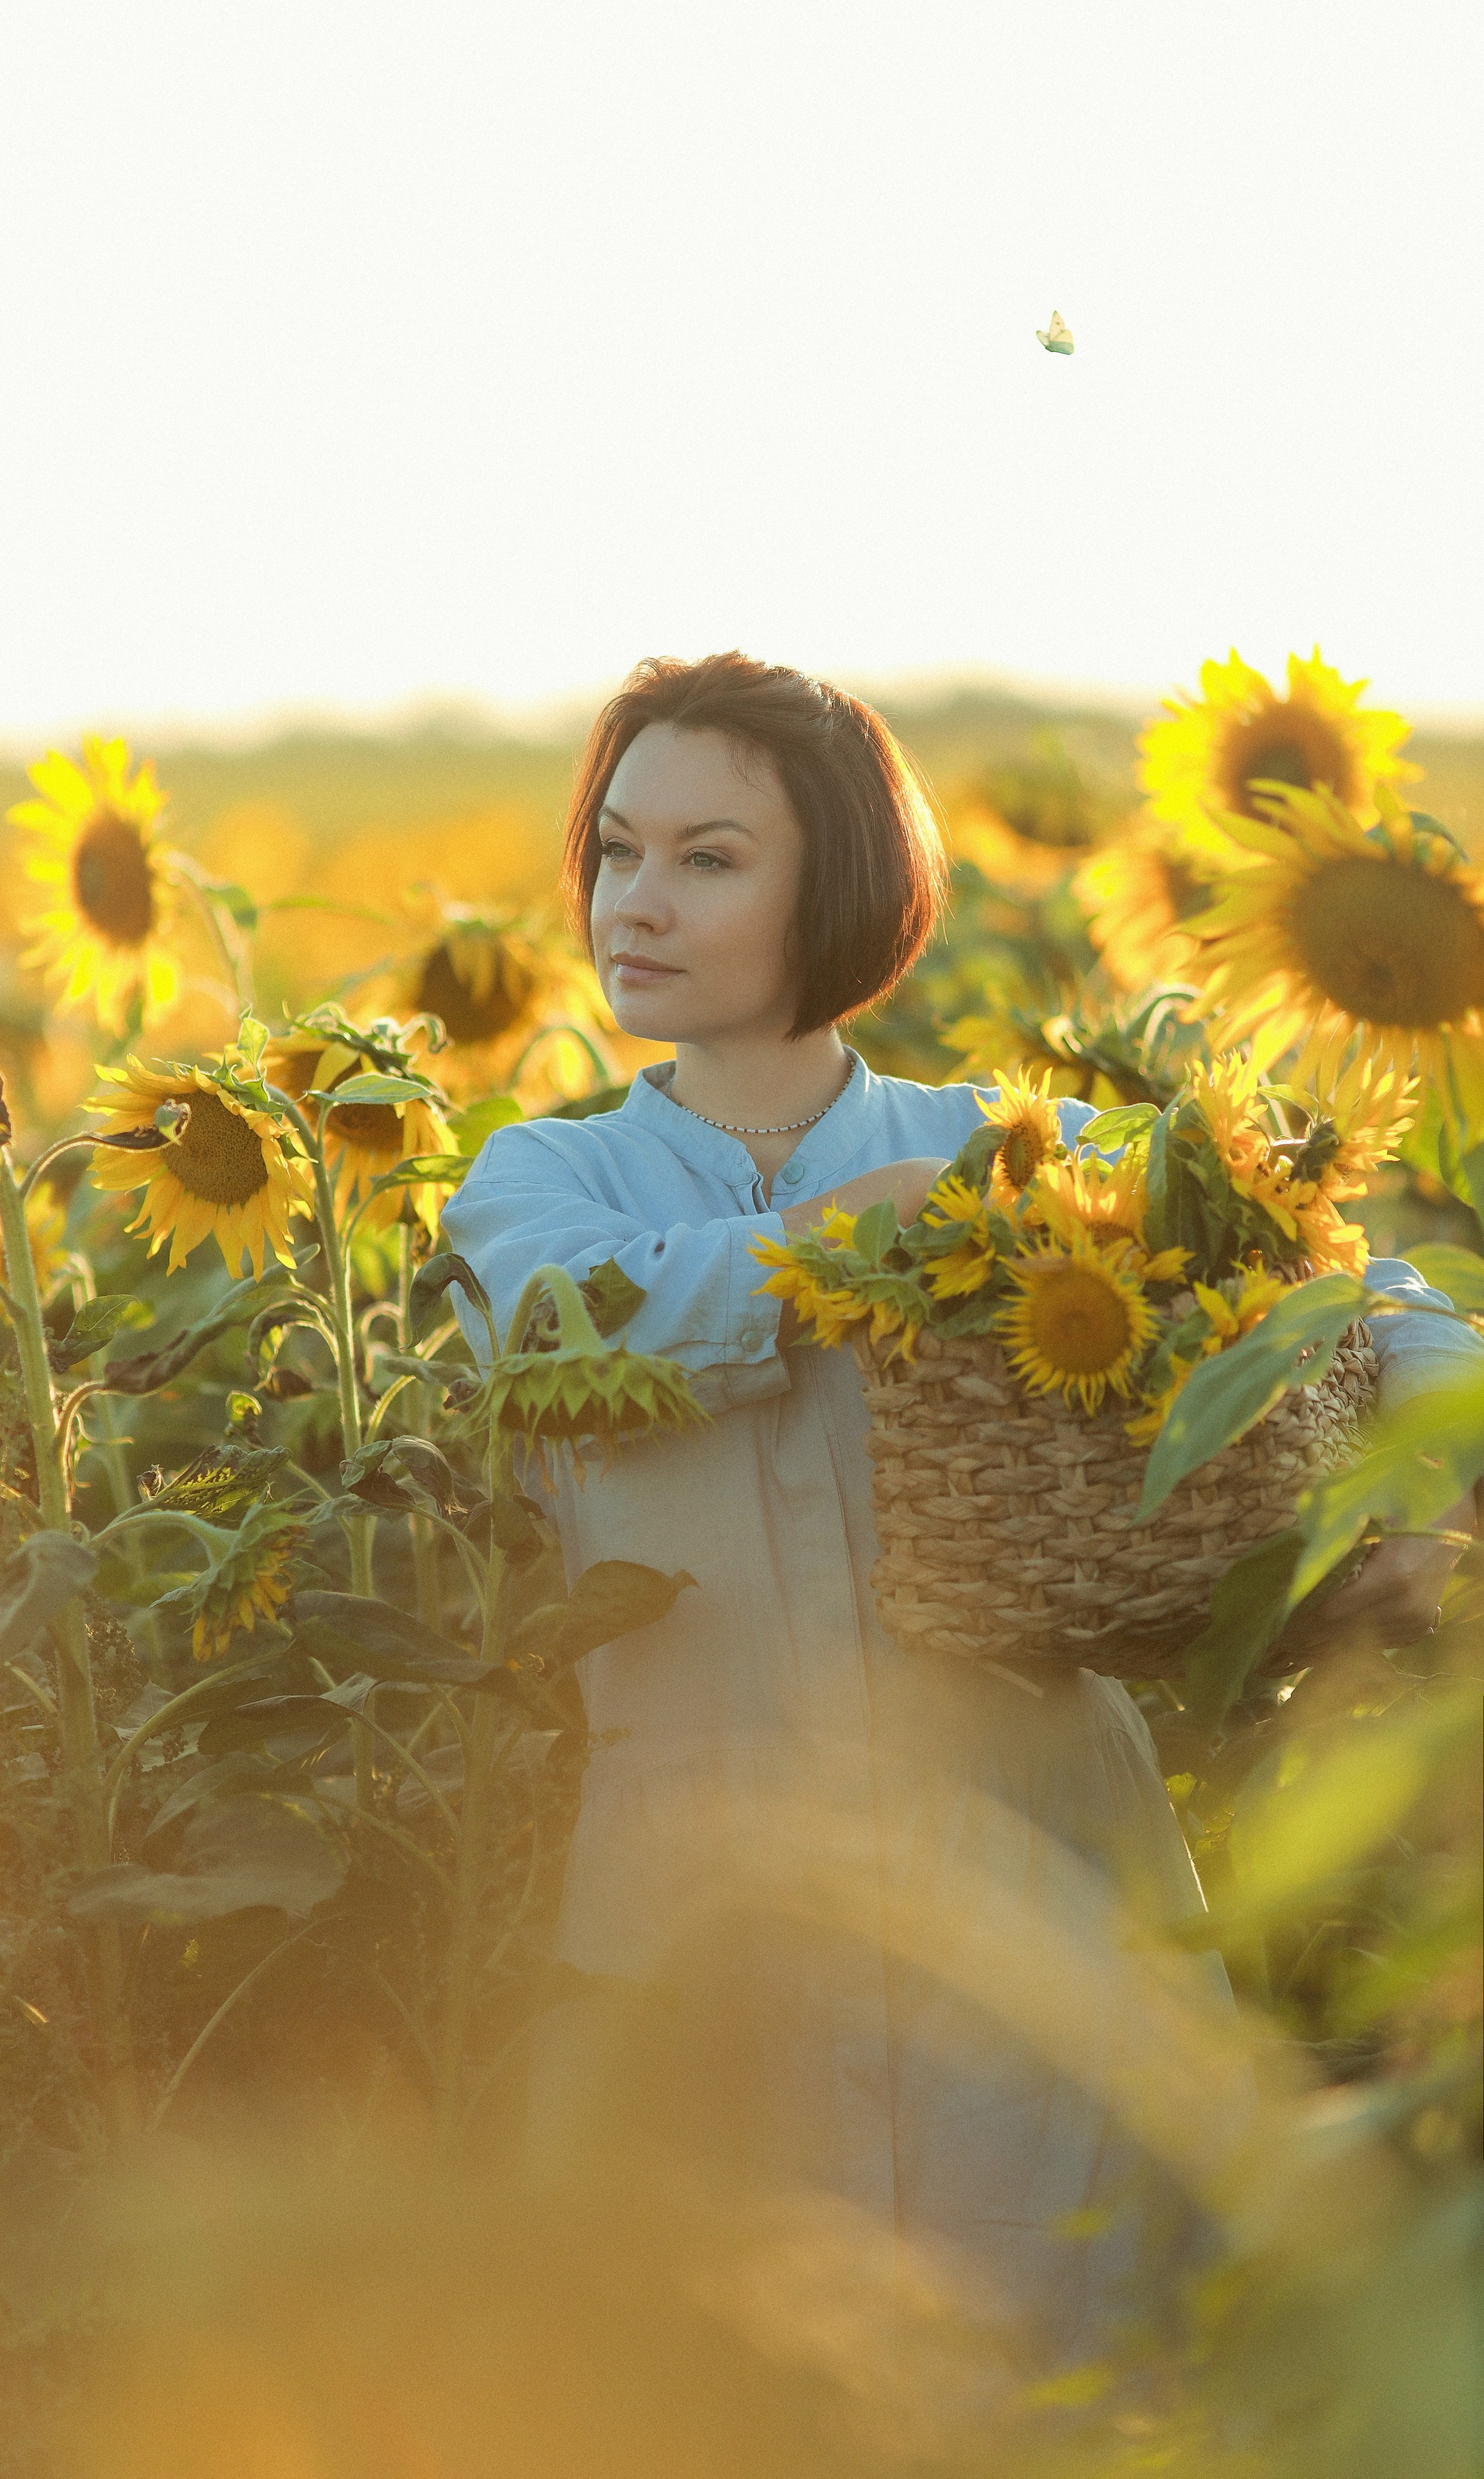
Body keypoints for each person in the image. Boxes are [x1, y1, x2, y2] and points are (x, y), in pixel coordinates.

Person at [440, 652, 1480, 2363]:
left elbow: (1361, 1301)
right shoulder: (544, 1184)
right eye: (619, 850)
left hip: (1041, 1936)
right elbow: (567, 1333)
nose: (639, 900)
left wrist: (1439, 1511)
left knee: (1072, 2389)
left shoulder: (1023, 1148)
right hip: (702, 1949)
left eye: (710, 857)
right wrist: (860, 1237)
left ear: (838, 884)